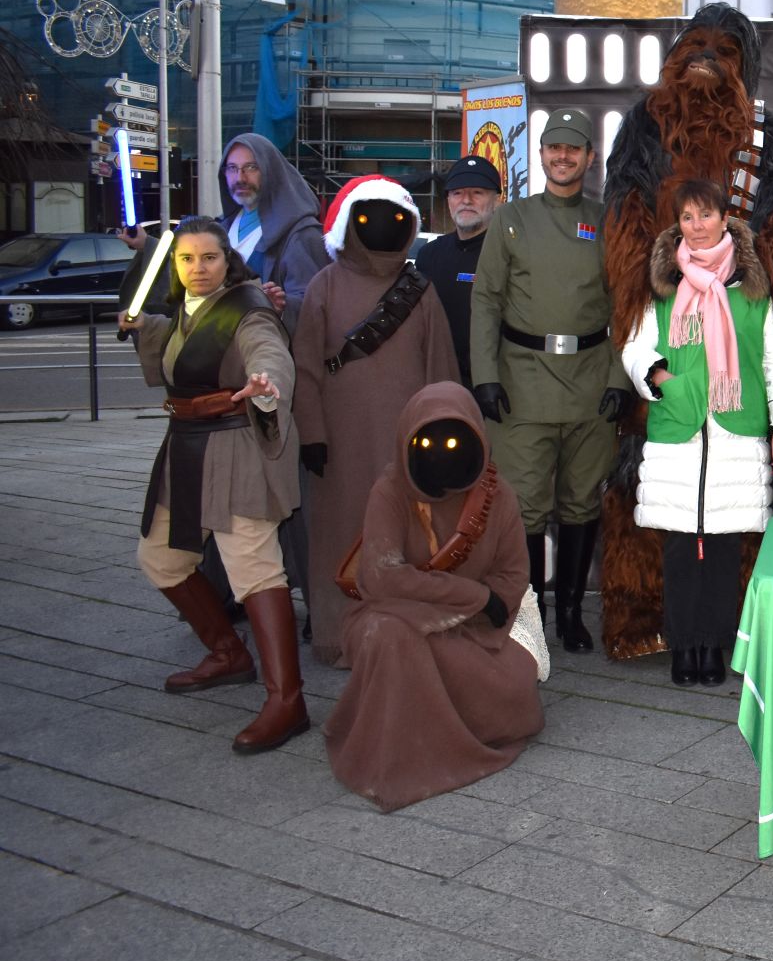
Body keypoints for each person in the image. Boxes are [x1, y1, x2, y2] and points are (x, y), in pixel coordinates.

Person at [118, 216, 308, 754]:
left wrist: (268, 382)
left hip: (235, 449)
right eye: (186, 259)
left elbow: (268, 352)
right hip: (185, 449)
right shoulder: (189, 307)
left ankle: (287, 701)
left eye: (208, 258)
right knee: (160, 559)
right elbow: (181, 347)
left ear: (228, 260)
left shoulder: (249, 309)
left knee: (254, 569)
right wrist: (148, 328)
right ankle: (227, 653)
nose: (197, 269)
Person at [618, 181, 773, 687]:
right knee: (681, 550)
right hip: (678, 428)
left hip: (736, 430)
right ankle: (684, 646)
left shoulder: (752, 292)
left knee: (722, 550)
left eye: (705, 215)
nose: (696, 226)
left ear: (726, 219)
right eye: (686, 217)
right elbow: (634, 348)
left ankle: (714, 647)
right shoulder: (661, 287)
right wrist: (661, 379)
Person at [325, 383, 545, 811]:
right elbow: (383, 577)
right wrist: (471, 595)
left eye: (451, 442)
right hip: (392, 614)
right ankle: (397, 756)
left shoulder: (497, 498)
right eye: (426, 442)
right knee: (390, 636)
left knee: (515, 694)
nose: (439, 452)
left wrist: (475, 606)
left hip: (475, 630)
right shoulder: (391, 491)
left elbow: (513, 575)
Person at [471, 108, 636, 656]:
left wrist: (618, 377)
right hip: (523, 384)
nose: (562, 157)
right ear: (539, 155)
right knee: (524, 507)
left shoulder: (606, 221)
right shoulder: (510, 218)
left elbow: (624, 306)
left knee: (581, 503)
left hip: (590, 383)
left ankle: (570, 613)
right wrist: (485, 376)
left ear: (590, 159)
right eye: (553, 148)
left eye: (574, 149)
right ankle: (530, 612)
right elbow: (487, 300)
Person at [293, 176, 459, 667]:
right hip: (339, 442)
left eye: (395, 217)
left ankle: (405, 633)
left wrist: (443, 430)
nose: (383, 227)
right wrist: (312, 433)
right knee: (341, 536)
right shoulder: (325, 284)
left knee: (408, 538)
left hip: (406, 440)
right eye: (370, 217)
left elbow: (441, 368)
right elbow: (304, 367)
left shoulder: (418, 291)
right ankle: (340, 634)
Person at [415, 155, 503, 388]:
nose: (466, 200)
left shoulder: (511, 256)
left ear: (497, 200)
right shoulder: (428, 255)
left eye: (477, 193)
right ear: (448, 201)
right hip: (437, 382)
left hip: (496, 385)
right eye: (457, 193)